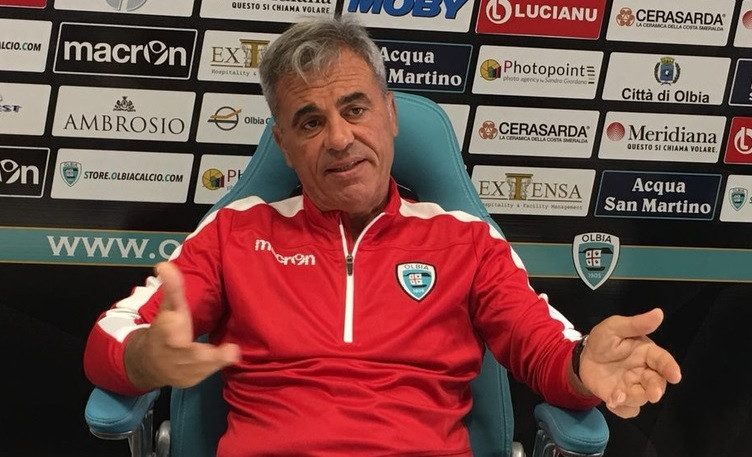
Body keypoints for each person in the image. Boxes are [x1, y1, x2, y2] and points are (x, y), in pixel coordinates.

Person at [83, 17, 682, 457]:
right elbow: (110, 340)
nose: (339, 138)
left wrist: (584, 367)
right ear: (284, 145)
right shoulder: (236, 232)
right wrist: (146, 358)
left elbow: (544, 350)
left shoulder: (465, 241)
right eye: (310, 122)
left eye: (355, 109)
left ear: (390, 115)